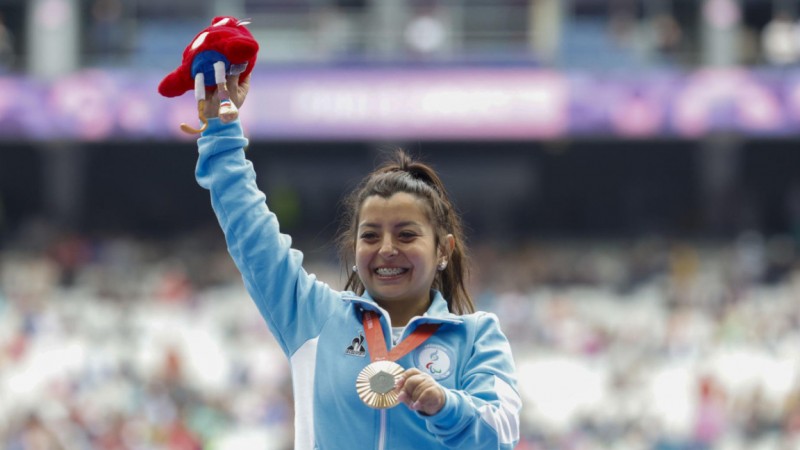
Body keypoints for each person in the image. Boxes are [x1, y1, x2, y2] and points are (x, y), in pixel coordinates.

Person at [191, 74, 521, 449]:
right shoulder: (314, 317)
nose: (386, 248)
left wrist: (444, 405)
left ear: (443, 249)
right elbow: (251, 234)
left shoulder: (476, 336)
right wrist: (221, 133)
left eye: (406, 234)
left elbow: (502, 433)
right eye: (370, 235)